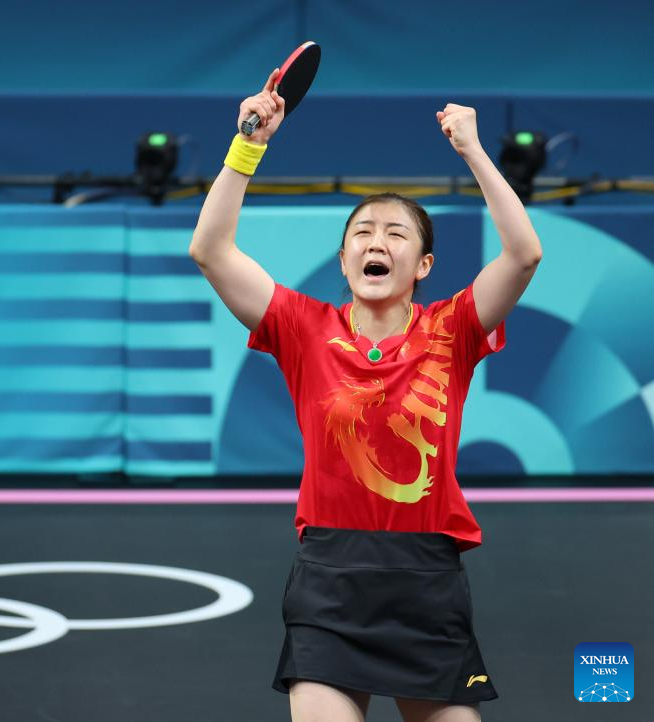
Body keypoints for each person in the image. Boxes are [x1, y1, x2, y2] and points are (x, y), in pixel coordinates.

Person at [189, 69, 542, 722]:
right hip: (330, 581)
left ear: (423, 265)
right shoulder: (301, 328)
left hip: (425, 580)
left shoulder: (455, 328)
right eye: (362, 233)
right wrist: (247, 147)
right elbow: (210, 251)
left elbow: (522, 255)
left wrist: (471, 150)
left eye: (396, 233)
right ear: (344, 258)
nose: (376, 241)